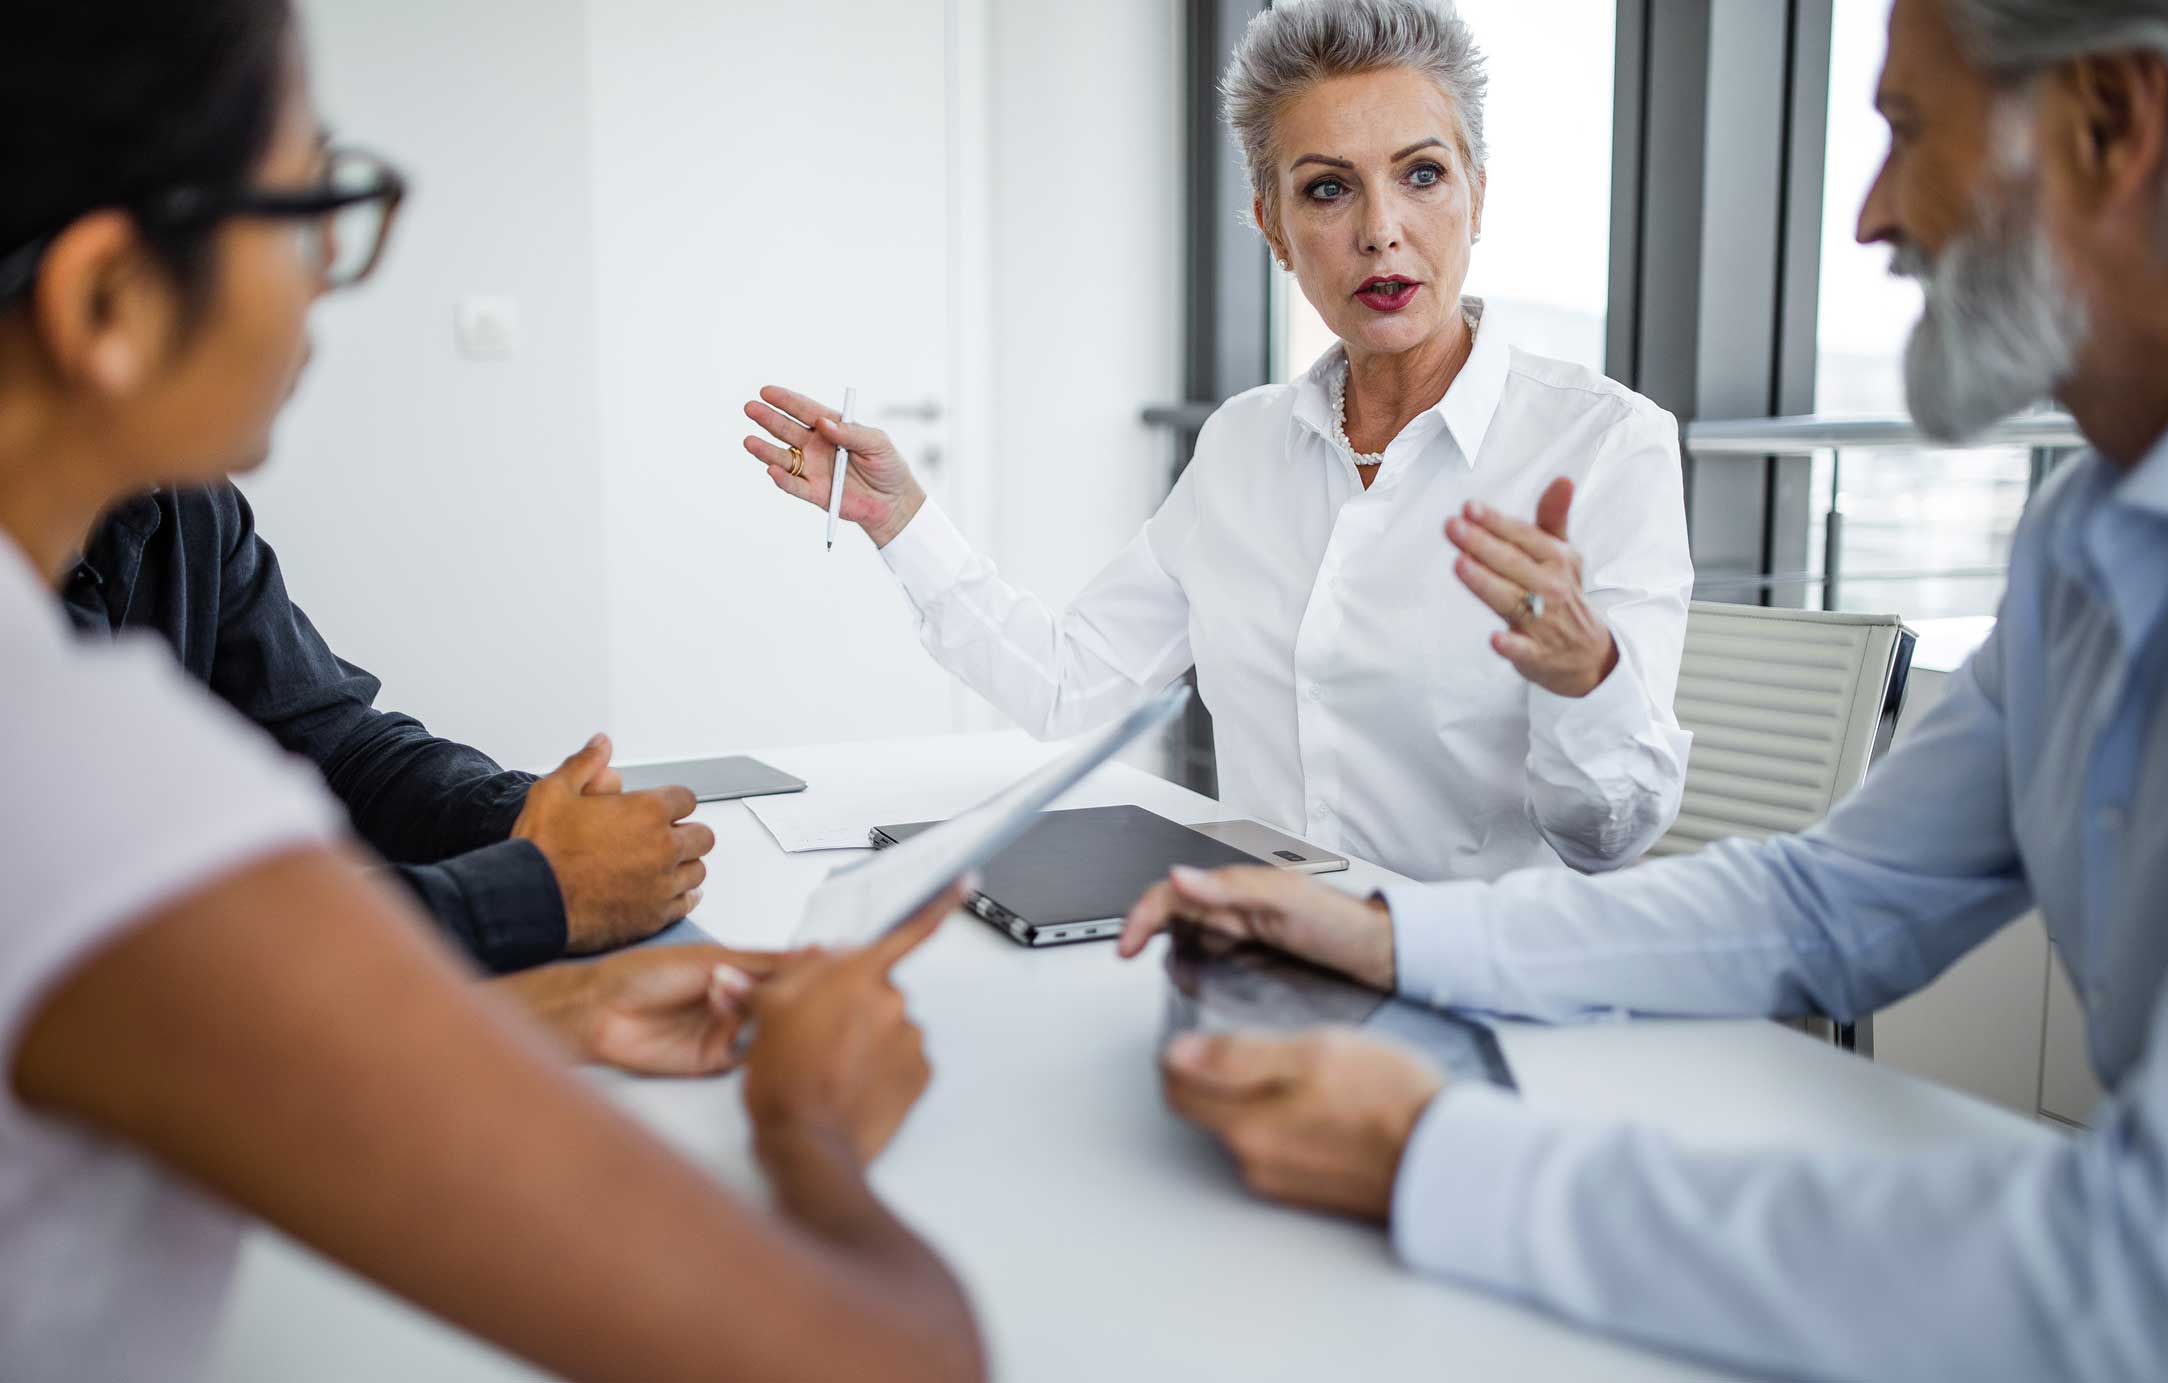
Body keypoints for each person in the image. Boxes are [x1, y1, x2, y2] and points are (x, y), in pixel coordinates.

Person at [1117, 0, 2168, 1377]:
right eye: (1330, 187)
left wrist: (1439, 1160)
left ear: (2109, 126)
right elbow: (1830, 901)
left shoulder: (1603, 439)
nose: (1865, 218)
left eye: (1905, 128)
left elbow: (2124, 1276)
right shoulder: (2081, 545)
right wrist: (1380, 929)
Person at [0, 4, 983, 1380]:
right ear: (109, 300)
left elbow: (324, 737)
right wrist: (808, 1113)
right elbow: (889, 1359)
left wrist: (544, 918)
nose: (325, 280)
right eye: (308, 209)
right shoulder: (65, 772)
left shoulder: (173, 531)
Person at [742, 0, 1694, 886]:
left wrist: (1587, 676)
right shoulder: (1242, 446)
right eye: (1328, 189)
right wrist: (901, 521)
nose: (1381, 230)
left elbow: (1609, 835)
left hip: (1471, 989)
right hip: (1258, 958)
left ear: (1478, 197)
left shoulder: (1604, 447)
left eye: (1423, 174)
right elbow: (1072, 687)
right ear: (1273, 227)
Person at [65, 483, 714, 974]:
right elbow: (125, 946)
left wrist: (527, 818)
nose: (310, 318)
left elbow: (339, 746)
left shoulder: (190, 501)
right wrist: (536, 891)